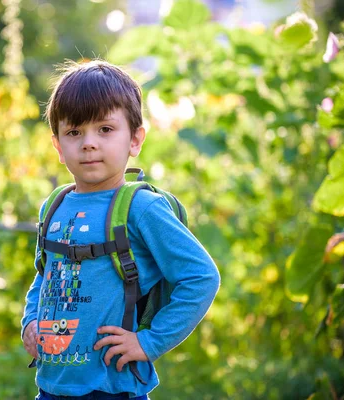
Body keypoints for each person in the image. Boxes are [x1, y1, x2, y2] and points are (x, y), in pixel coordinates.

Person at [21, 60, 220, 400]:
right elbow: (47, 274)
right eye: (74, 132)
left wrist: (149, 342)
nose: (88, 143)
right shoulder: (54, 205)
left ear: (135, 139)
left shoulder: (141, 209)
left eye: (105, 129)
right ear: (57, 145)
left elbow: (201, 277)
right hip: (52, 385)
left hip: (112, 386)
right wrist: (31, 319)